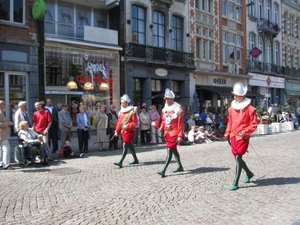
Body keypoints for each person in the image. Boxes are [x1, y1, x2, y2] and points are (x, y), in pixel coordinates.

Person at [223, 82, 258, 191]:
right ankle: (249, 173)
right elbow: (230, 122)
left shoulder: (251, 109)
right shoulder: (231, 109)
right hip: (233, 136)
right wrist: (227, 133)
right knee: (237, 158)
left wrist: (246, 132)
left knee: (238, 157)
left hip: (243, 137)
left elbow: (254, 124)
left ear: (243, 95)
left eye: (237, 95)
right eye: (234, 95)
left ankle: (236, 182)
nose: (234, 97)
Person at [157, 88, 184, 178]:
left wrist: (180, 135)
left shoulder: (179, 110)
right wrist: (161, 126)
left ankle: (163, 170)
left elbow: (180, 124)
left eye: (168, 98)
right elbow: (164, 120)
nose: (166, 100)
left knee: (169, 151)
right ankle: (180, 166)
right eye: (165, 98)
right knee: (174, 150)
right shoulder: (164, 110)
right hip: (167, 133)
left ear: (172, 99)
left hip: (175, 133)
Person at [113, 94, 139, 168]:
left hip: (130, 131)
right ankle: (136, 159)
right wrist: (116, 131)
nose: (122, 104)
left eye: (123, 103)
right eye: (121, 103)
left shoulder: (132, 112)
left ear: (127, 103)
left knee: (125, 145)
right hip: (123, 131)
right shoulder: (121, 112)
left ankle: (120, 162)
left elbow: (135, 123)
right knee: (130, 146)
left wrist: (127, 126)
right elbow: (119, 122)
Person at [0, 100, 14, 170]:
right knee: (5, 148)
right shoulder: (0, 113)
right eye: (4, 104)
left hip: (2, 133)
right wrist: (7, 123)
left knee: (2, 149)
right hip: (2, 133)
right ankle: (6, 164)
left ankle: (2, 163)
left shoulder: (1, 112)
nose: (5, 105)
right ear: (1, 105)